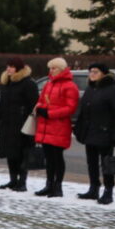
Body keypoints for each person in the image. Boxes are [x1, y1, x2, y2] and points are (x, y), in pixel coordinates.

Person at [73, 63, 115, 204]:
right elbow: (83, 112)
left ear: (104, 73)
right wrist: (79, 129)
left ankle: (108, 191)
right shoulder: (91, 89)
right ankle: (93, 188)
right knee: (91, 163)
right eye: (90, 72)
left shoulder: (113, 90)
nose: (92, 74)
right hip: (90, 132)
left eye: (95, 72)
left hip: (105, 133)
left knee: (107, 164)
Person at [34, 57, 79, 198]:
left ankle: (58, 186)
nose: (51, 71)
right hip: (46, 126)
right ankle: (49, 184)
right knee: (48, 157)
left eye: (54, 68)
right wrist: (40, 109)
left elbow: (70, 108)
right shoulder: (48, 84)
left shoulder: (70, 86)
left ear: (61, 69)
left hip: (59, 126)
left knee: (57, 157)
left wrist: (49, 113)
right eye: (50, 68)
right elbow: (41, 100)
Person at [0, 57, 38, 192]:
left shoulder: (28, 83)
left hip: (22, 125)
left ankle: (22, 181)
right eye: (7, 66)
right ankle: (13, 180)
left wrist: (28, 120)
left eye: (12, 66)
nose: (8, 69)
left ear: (18, 68)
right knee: (10, 152)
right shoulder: (7, 83)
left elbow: (33, 104)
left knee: (22, 153)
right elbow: (2, 103)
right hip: (7, 124)